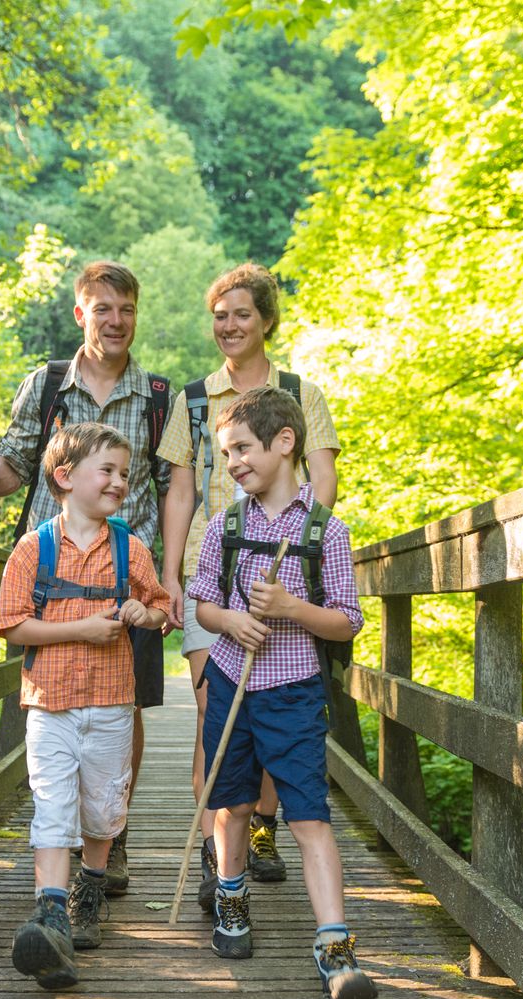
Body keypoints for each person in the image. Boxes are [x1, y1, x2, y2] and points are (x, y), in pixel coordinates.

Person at [0, 260, 172, 895]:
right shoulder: (47, 384)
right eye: (102, 308)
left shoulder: (157, 397)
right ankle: (60, 837)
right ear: (81, 313)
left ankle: (114, 834)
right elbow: (17, 458)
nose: (116, 320)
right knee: (51, 696)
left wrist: (174, 576)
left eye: (126, 309)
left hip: (128, 572)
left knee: (124, 701)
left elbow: (172, 486)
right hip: (56, 573)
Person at [156, 264, 341, 912]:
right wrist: (171, 573)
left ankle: (262, 821)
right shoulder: (193, 396)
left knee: (272, 702)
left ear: (265, 319)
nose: (227, 325)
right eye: (219, 314)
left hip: (284, 564)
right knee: (217, 705)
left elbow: (322, 476)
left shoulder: (299, 393)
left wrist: (301, 545)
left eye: (240, 313)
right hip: (214, 563)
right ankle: (218, 852)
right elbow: (180, 487)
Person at [185, 386, 375, 999]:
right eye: (224, 452)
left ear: (284, 442)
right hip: (231, 681)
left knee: (309, 816)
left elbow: (347, 621)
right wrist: (230, 623)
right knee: (232, 804)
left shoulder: (328, 532)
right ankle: (233, 895)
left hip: (293, 692)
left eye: (241, 448)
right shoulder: (224, 527)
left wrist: (293, 609)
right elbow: (203, 602)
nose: (232, 462)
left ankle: (335, 943)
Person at [0, 422, 171, 989]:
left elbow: (163, 606)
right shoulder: (33, 548)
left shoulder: (131, 547)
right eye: (108, 471)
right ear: (66, 478)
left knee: (102, 807)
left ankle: (88, 892)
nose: (120, 482)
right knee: (52, 801)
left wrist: (147, 615)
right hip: (50, 704)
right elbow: (12, 625)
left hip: (113, 704)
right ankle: (50, 910)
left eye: (125, 473)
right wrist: (80, 630)